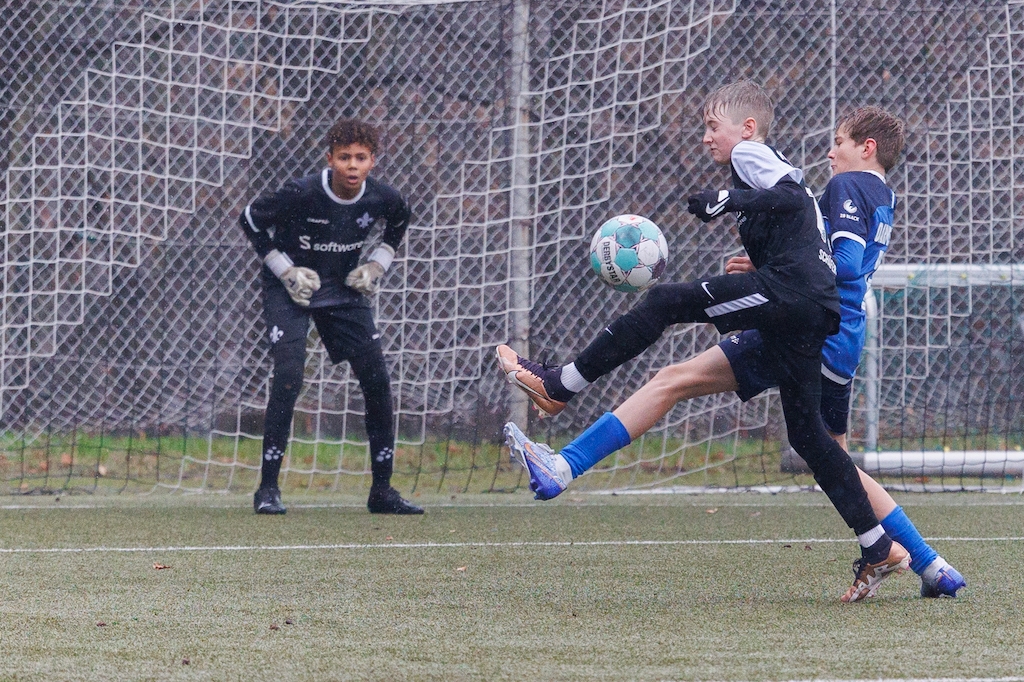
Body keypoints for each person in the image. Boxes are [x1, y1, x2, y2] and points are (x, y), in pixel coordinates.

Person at [500, 105, 965, 599]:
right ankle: (926, 564)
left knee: (806, 442)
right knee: (801, 439)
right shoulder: (883, 195)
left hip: (813, 322)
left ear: (867, 148)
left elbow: (844, 262)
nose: (831, 152)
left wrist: (790, 262)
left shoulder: (847, 185)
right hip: (840, 330)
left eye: (840, 142)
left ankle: (561, 407)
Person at [240, 118, 423, 516]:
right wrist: (284, 270)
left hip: (341, 290)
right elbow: (250, 219)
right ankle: (267, 489)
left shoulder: (381, 197)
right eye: (344, 157)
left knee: (377, 380)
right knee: (289, 375)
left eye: (361, 157)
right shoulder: (301, 192)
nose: (352, 166)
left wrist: (377, 264)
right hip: (292, 289)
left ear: (373, 161)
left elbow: (400, 220)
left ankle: (382, 491)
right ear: (329, 159)